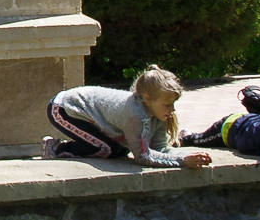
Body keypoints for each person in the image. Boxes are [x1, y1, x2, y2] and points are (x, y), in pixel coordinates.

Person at [46, 67, 214, 168]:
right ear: (148, 99)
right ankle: (55, 149)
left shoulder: (158, 113)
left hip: (85, 109)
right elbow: (143, 157)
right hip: (65, 108)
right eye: (167, 105)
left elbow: (160, 148)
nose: (172, 110)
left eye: (173, 104)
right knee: (106, 150)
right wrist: (183, 161)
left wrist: (191, 155)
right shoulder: (136, 116)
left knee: (121, 150)